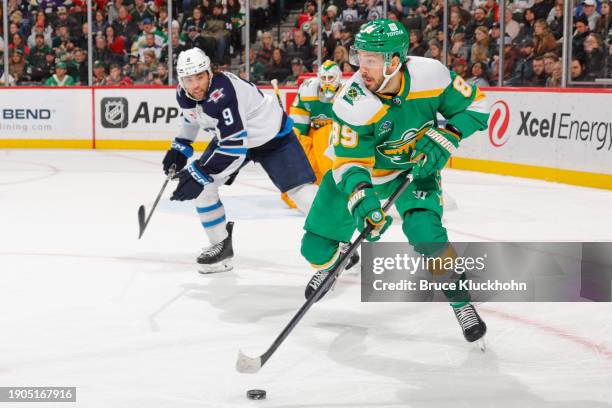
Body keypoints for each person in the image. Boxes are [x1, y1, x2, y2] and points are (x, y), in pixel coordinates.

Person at [300, 19, 489, 344]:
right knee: (314, 250)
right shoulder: (352, 101)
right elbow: (349, 165)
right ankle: (339, 259)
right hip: (361, 173)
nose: (361, 67)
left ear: (394, 61)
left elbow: (479, 105)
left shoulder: (431, 76)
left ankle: (461, 301)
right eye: (359, 56)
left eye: (371, 59)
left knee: (427, 236)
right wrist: (364, 204)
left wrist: (450, 133)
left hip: (413, 169)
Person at [163, 48, 319, 273]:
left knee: (300, 193)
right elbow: (192, 119)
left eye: (200, 77)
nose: (195, 84)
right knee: (204, 189)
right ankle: (220, 247)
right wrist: (180, 148)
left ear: (210, 72)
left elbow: (235, 149)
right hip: (232, 138)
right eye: (189, 79)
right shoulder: (184, 94)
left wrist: (198, 172)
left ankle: (336, 242)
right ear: (181, 80)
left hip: (272, 136)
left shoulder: (223, 91)